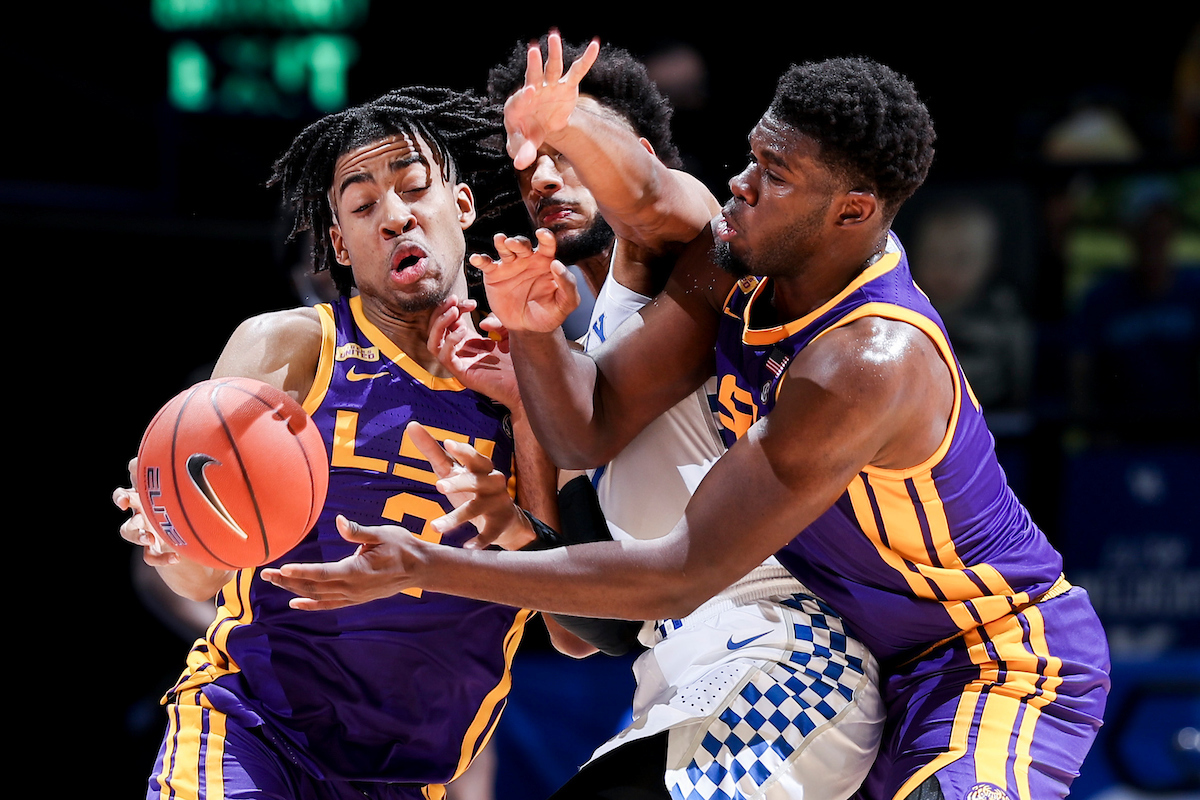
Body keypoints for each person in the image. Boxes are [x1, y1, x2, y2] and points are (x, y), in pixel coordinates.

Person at [266, 59, 1111, 800]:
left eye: (774, 175)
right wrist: (529, 354)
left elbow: (680, 571)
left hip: (981, 654)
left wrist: (428, 565)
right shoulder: (733, 269)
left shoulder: (864, 360)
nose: (743, 183)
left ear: (851, 210)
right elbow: (588, 441)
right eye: (751, 158)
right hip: (828, 651)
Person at [113, 86, 583, 800]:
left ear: (461, 207)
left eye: (414, 189)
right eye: (363, 207)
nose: (394, 216)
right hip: (252, 728)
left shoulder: (542, 374)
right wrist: (175, 534)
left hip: (412, 775)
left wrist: (523, 414)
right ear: (340, 244)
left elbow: (576, 630)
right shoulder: (291, 346)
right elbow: (200, 580)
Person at [455, 34, 880, 799]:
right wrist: (523, 400)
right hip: (679, 671)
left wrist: (569, 118)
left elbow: (656, 195)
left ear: (628, 151)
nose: (543, 178)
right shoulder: (571, 359)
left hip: (783, 649)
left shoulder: (689, 250)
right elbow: (581, 633)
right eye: (529, 168)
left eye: (566, 155)